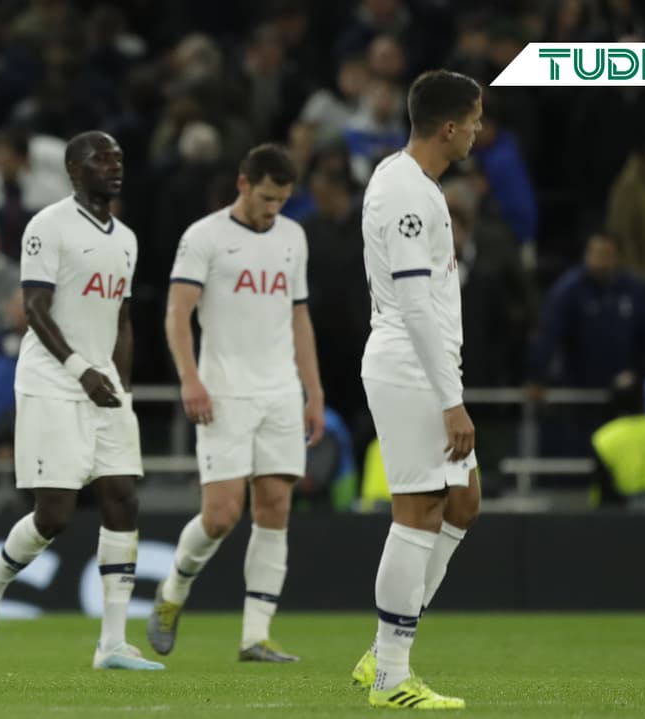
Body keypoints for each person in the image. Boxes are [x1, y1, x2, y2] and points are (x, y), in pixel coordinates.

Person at [0, 131, 162, 671]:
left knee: (123, 497)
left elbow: (121, 318)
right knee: (55, 515)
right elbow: (35, 307)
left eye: (119, 157)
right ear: (74, 169)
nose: (114, 165)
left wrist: (122, 382)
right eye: (101, 158)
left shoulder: (127, 239)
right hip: (53, 382)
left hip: (103, 388)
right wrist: (80, 369)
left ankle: (113, 643)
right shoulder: (48, 226)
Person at [147, 143, 323, 663]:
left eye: (283, 200)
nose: (275, 209)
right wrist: (190, 379)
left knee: (275, 507)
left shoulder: (294, 237)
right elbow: (178, 314)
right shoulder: (204, 237)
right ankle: (173, 590)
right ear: (243, 185)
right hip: (223, 389)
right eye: (267, 197)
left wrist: (313, 392)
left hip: (279, 390)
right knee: (222, 514)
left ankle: (256, 635)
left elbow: (300, 317)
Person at [351, 70, 484, 710]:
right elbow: (411, 301)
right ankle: (390, 677)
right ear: (451, 126)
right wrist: (449, 396)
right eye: (476, 120)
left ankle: (383, 652)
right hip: (410, 365)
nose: (479, 132)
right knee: (420, 511)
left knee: (463, 503)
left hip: (422, 364)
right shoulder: (410, 192)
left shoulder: (407, 180)